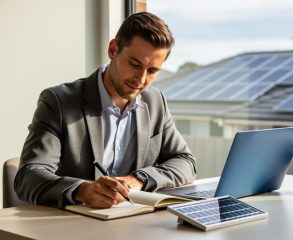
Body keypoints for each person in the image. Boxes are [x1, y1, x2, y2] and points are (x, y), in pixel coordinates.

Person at [14, 12, 196, 209]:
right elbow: (28, 177)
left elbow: (185, 162)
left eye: (152, 71)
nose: (141, 80)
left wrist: (138, 180)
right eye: (135, 64)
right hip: (73, 226)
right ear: (113, 50)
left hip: (133, 223)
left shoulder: (155, 102)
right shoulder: (59, 102)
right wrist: (82, 190)